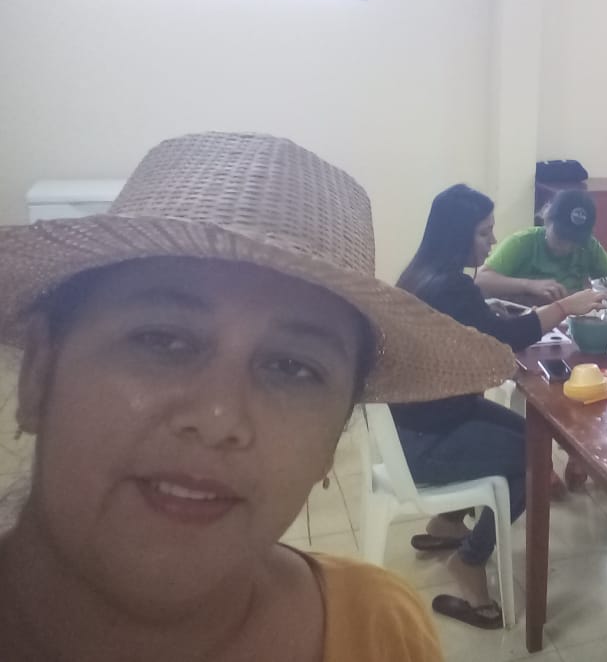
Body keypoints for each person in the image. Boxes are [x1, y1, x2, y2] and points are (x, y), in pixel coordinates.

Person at [0, 132, 517, 662]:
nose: (219, 417)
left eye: (293, 368)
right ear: (40, 371)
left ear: (331, 440)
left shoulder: (383, 630)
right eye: (161, 339)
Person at [391, 184, 607, 630]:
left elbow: (478, 331)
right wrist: (566, 306)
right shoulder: (449, 287)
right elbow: (504, 338)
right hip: (424, 440)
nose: (492, 241)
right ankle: (470, 560)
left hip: (425, 419)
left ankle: (448, 524)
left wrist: (495, 321)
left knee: (531, 439)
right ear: (456, 235)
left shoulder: (424, 274)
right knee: (532, 460)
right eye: (483, 232)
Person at [475, 189, 607, 303]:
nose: (566, 247)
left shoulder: (589, 246)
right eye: (560, 237)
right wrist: (529, 285)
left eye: (574, 241)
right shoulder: (524, 242)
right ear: (547, 219)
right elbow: (481, 280)